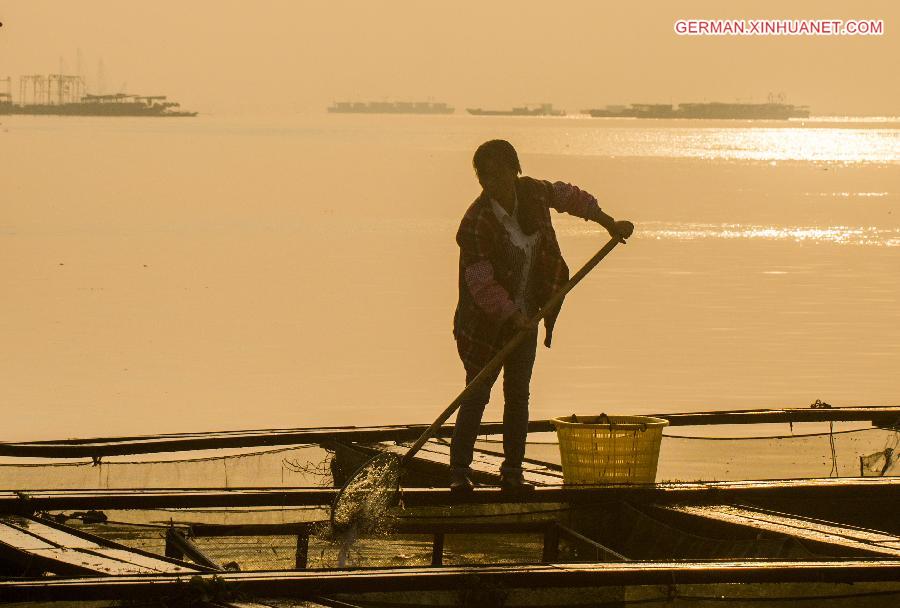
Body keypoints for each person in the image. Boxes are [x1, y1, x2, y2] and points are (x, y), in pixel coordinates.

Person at [450, 139, 634, 492]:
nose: (491, 181)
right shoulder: (475, 223)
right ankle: (459, 472)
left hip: (529, 314)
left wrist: (608, 222)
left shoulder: (533, 193)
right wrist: (510, 316)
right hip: (484, 323)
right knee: (477, 393)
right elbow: (480, 281)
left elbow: (570, 197)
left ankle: (512, 472)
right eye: (484, 176)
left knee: (518, 395)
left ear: (514, 169)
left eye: (498, 173)